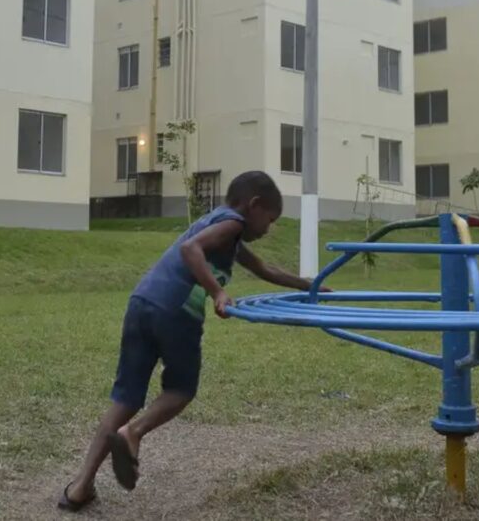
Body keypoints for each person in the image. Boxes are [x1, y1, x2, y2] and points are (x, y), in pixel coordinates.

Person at [58, 171, 322, 512]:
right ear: (253, 205)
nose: (268, 229)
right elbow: (190, 249)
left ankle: (80, 487)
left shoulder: (219, 227)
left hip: (142, 303)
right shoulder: (232, 225)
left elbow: (264, 269)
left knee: (125, 399)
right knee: (181, 391)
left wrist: (310, 287)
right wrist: (217, 291)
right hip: (176, 311)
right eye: (270, 219)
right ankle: (133, 433)